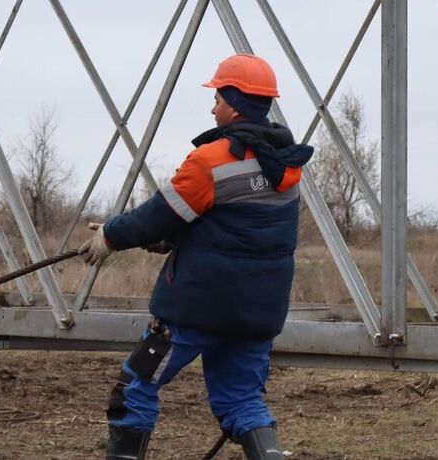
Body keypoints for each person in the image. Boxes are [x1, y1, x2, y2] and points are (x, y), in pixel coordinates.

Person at [80, 54, 313, 460]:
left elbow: (159, 215)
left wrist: (110, 236)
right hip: (257, 312)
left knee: (137, 385)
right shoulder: (287, 168)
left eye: (218, 97)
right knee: (242, 400)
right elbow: (237, 227)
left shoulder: (211, 161)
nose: (213, 106)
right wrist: (175, 238)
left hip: (197, 308)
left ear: (235, 102)